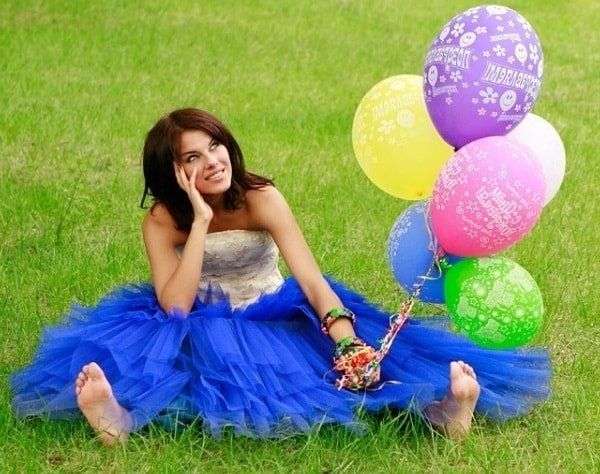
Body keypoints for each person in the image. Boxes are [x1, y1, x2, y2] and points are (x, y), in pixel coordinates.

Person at [11, 108, 551, 446]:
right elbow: (174, 307)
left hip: (277, 315)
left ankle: (443, 412)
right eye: (192, 158)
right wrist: (199, 222)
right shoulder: (161, 220)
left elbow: (312, 281)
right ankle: (119, 420)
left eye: (215, 145)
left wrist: (346, 341)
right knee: (175, 374)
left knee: (361, 372)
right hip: (197, 322)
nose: (212, 161)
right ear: (173, 173)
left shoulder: (262, 197)